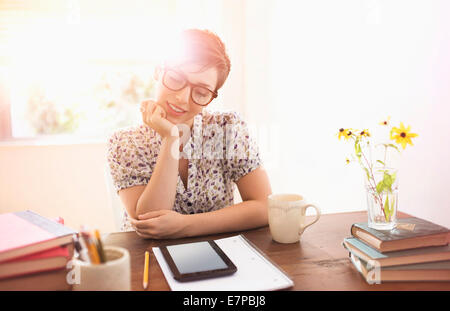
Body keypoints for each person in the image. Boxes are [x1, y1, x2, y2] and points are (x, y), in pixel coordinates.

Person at [107, 29, 272, 239]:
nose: (182, 98)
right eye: (176, 79)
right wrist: (171, 139)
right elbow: (148, 222)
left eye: (201, 92)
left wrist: (185, 225)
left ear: (211, 98)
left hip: (219, 253)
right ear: (158, 71)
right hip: (148, 258)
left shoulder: (227, 128)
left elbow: (265, 206)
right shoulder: (125, 142)